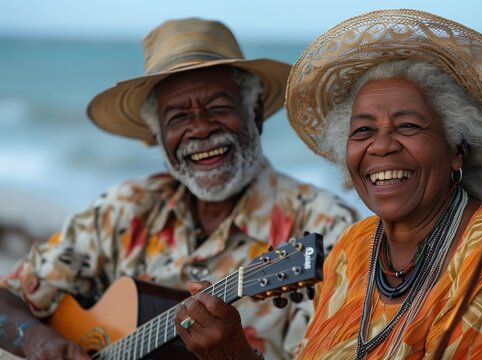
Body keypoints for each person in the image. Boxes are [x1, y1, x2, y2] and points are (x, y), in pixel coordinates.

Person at [171, 9, 482, 360]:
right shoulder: (355, 245)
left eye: (408, 125)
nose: (380, 146)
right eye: (362, 130)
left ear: (457, 148)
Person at [0, 18, 357, 359]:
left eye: (218, 107)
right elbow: (7, 298)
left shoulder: (328, 229)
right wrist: (38, 341)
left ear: (256, 113)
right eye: (178, 117)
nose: (200, 129)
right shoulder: (124, 209)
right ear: (158, 137)